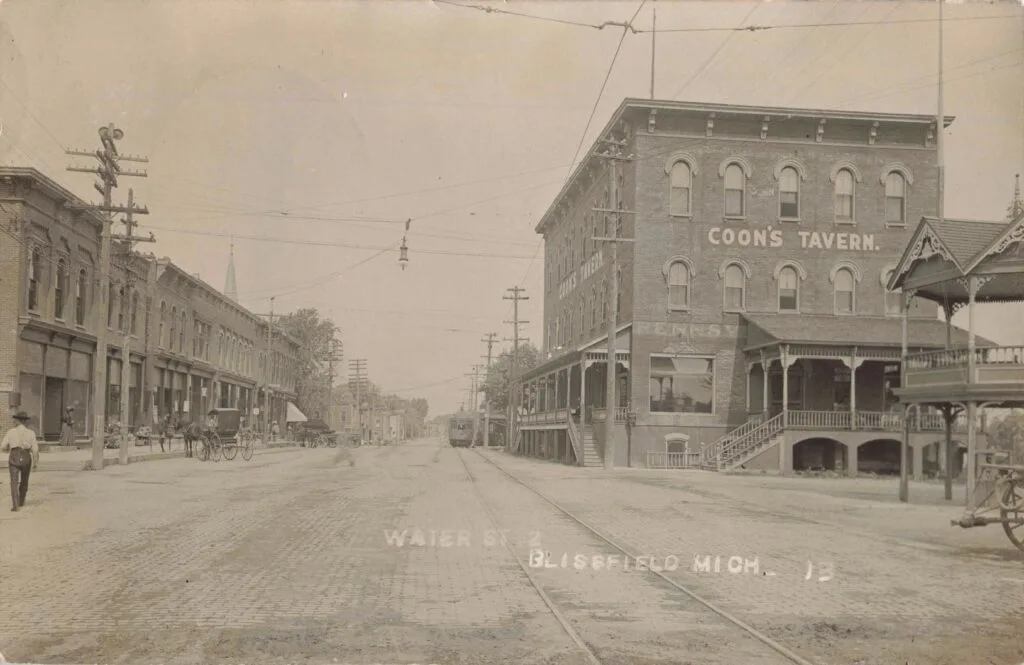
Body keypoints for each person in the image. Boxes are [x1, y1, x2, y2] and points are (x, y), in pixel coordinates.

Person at [2, 411, 39, 512]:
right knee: (24, 480)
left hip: (14, 456)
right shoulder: (31, 433)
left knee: (14, 482)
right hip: (26, 456)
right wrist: (35, 462)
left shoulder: (10, 432)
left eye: (15, 420)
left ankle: (15, 505)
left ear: (18, 421)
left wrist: (8, 449)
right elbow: (35, 449)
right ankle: (21, 501)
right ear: (25, 421)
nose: (14, 421)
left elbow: (3, 446)